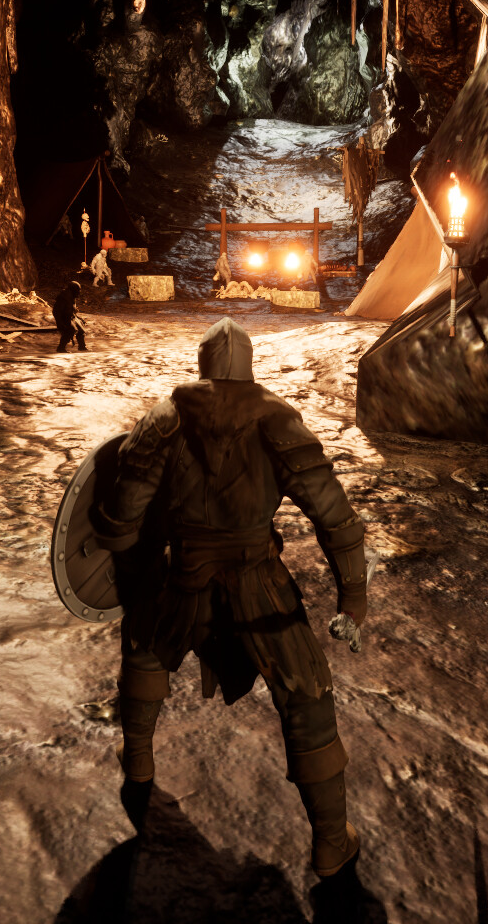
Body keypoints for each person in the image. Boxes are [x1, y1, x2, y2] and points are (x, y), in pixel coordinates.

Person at [92, 318, 368, 879]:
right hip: (258, 586)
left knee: (144, 645)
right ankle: (330, 843)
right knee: (306, 696)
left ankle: (138, 762)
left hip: (183, 576)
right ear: (248, 366)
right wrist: (353, 599)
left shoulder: (164, 418)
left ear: (203, 365)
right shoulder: (277, 419)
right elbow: (335, 517)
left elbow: (120, 522)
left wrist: (131, 560)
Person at [53, 281, 88, 352]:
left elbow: (71, 310)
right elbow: (56, 311)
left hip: (72, 317)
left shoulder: (72, 296)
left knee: (81, 331)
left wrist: (79, 318)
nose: (79, 292)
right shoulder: (63, 297)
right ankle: (61, 348)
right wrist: (59, 322)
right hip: (64, 318)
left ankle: (82, 347)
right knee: (71, 330)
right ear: (73, 289)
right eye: (78, 290)